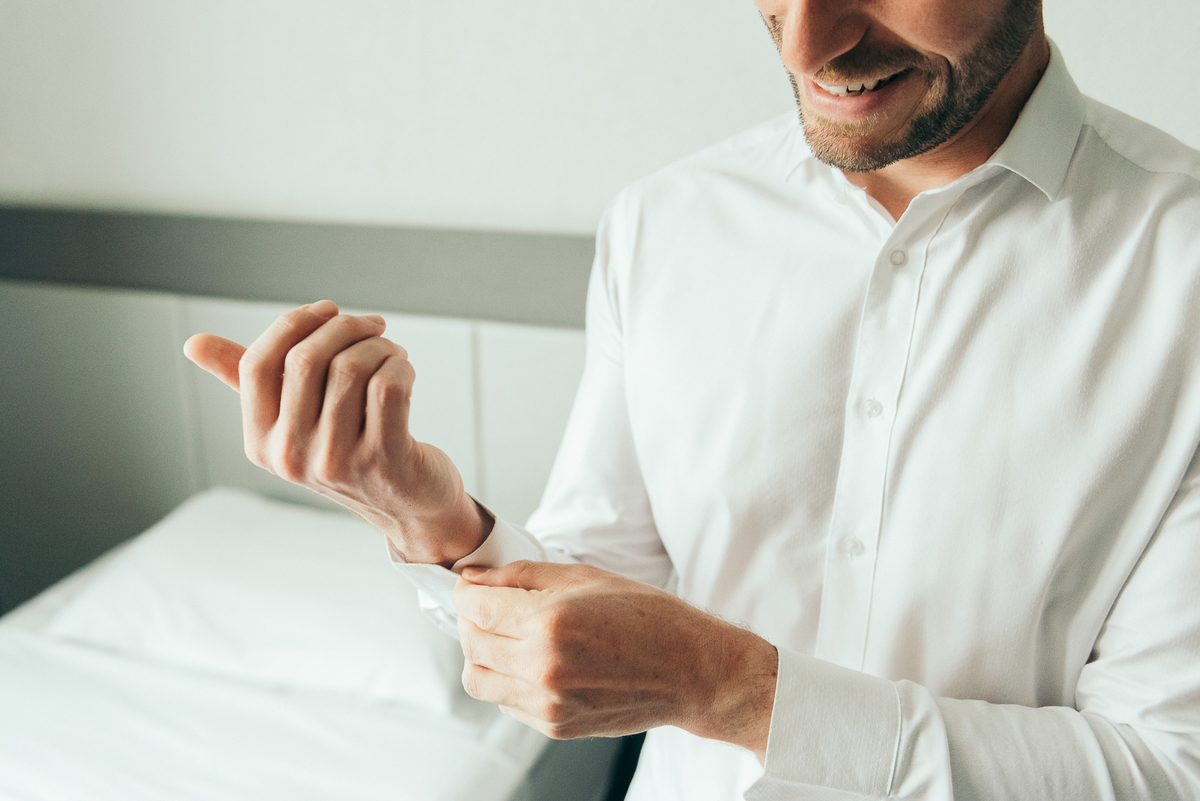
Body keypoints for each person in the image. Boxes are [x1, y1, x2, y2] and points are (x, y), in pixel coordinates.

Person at [185, 0, 1200, 797]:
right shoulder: (666, 224)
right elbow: (599, 609)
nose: (809, 40)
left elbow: (1170, 770)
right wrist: (430, 521)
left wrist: (738, 690)